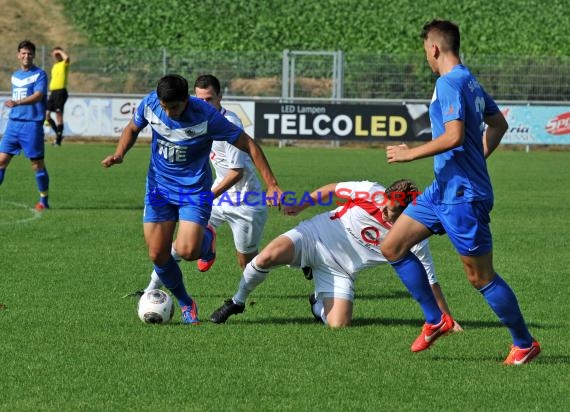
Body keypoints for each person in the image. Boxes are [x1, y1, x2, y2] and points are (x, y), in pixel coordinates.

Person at [380, 19, 540, 365]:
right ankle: (437, 319)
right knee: (392, 245)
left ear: (434, 48)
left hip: (463, 196)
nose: (426, 56)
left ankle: (524, 343)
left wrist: (409, 154)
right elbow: (499, 124)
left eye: (425, 50)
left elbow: (453, 136)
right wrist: (476, 155)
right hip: (442, 191)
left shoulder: (451, 83)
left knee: (480, 277)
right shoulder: (469, 80)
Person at [101, 74, 282, 325]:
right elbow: (133, 128)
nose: (169, 112)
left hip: (193, 192)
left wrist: (272, 184)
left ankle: (207, 240)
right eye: (165, 107)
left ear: (186, 100)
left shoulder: (207, 117)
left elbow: (248, 144)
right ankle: (186, 303)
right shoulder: (151, 104)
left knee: (187, 252)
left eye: (174, 107)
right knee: (158, 255)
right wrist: (120, 153)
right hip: (158, 189)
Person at [210, 179, 462, 330]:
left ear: (407, 212)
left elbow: (430, 281)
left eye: (394, 211)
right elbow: (333, 190)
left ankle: (316, 303)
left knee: (338, 325)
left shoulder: (412, 235)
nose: (386, 212)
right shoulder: (370, 191)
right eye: (386, 205)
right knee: (266, 256)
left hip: (340, 269)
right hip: (315, 236)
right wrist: (301, 205)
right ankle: (237, 301)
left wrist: (446, 319)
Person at [133, 74, 268, 295]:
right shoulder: (195, 118)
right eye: (200, 99)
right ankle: (151, 289)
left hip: (244, 200)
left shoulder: (228, 123)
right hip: (214, 193)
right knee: (181, 246)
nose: (204, 104)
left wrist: (206, 196)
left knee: (247, 261)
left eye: (210, 99)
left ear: (220, 98)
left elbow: (236, 172)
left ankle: (296, 259)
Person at [0, 40, 50, 211]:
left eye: (29, 53)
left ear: (34, 55)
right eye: (23, 53)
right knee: (1, 161)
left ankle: (44, 200)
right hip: (13, 124)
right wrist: (15, 105)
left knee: (37, 164)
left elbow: (38, 95)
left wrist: (17, 102)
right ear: (18, 55)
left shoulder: (40, 74)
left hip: (32, 125)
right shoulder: (15, 76)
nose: (26, 56)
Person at [45, 47, 70, 146]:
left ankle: (58, 140)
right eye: (54, 55)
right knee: (46, 114)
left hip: (61, 92)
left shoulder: (64, 64)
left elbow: (67, 58)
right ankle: (59, 135)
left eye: (57, 54)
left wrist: (59, 51)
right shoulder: (55, 66)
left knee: (59, 115)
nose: (56, 56)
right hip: (53, 92)